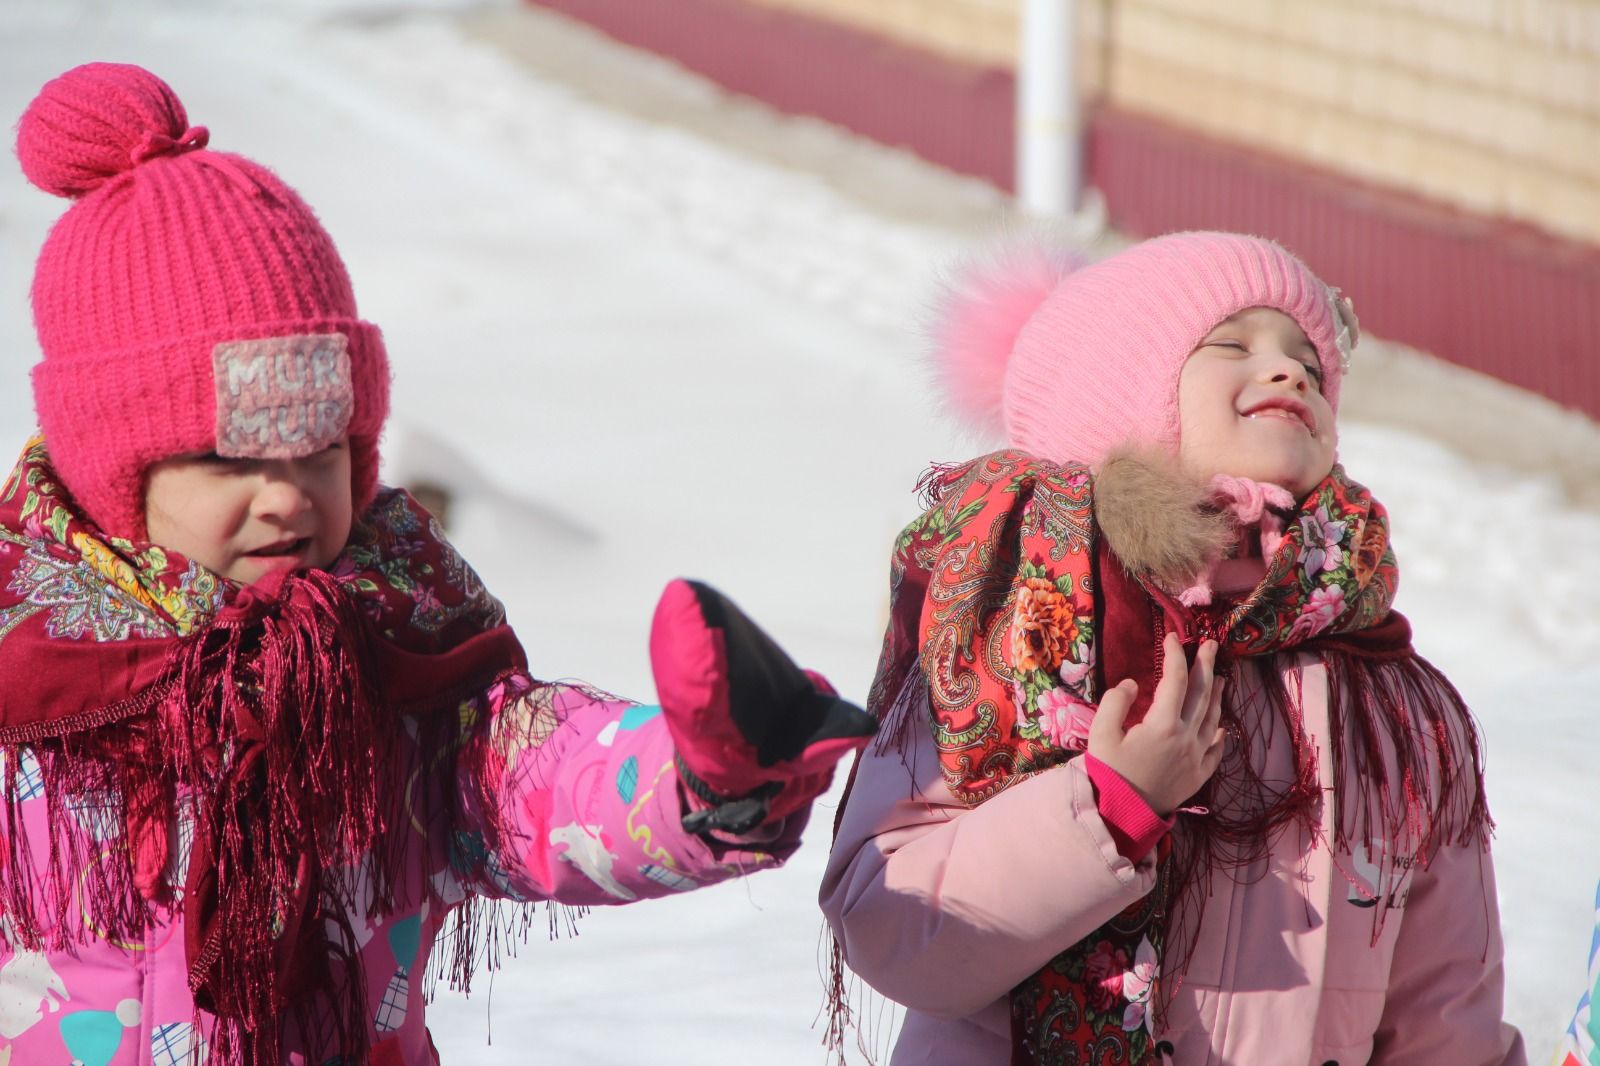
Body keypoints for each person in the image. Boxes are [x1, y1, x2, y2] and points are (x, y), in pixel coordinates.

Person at [0, 62, 874, 1065]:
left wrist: (702, 774)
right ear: (113, 469)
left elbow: (542, 776)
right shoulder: (30, 686)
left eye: (317, 449)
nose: (285, 494)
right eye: (231, 457)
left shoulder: (401, 654)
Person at [820, 231, 1525, 1064]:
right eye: (1234, 345)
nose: (1291, 369)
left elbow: (1447, 1015)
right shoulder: (1014, 629)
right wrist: (1108, 812)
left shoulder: (1388, 697)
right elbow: (893, 925)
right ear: (1119, 393)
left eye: (1310, 359)